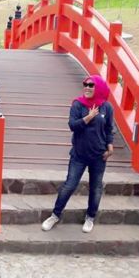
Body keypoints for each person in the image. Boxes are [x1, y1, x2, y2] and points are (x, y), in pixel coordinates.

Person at [41, 74, 114, 233]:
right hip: (79, 154)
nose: (87, 87)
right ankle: (55, 215)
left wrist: (110, 147)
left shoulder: (106, 107)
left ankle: (90, 217)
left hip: (99, 156)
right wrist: (88, 117)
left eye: (91, 85)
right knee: (69, 185)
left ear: (99, 88)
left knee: (96, 188)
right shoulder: (78, 105)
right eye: (85, 84)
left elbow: (109, 129)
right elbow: (73, 125)